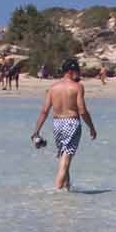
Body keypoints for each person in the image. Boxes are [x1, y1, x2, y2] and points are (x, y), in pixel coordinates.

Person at [31, 60, 99, 192]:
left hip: (57, 124)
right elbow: (82, 110)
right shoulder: (77, 87)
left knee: (63, 156)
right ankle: (57, 192)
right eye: (77, 71)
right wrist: (91, 127)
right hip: (71, 123)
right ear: (70, 71)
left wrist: (36, 131)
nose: (79, 74)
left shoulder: (53, 88)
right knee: (66, 160)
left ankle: (67, 189)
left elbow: (44, 111)